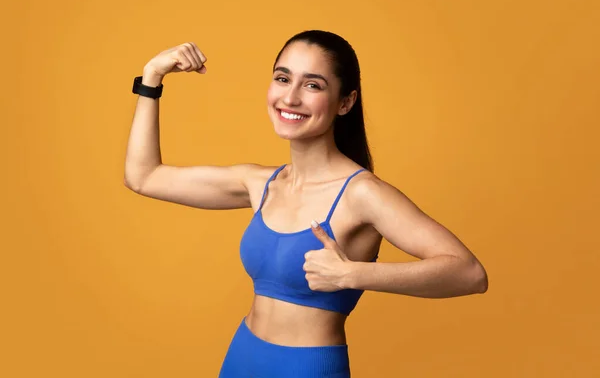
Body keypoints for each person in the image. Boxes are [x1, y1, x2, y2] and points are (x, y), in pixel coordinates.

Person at [124, 30, 488, 378]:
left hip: (307, 369)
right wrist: (152, 77)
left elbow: (468, 273)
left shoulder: (361, 194)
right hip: (241, 357)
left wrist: (353, 274)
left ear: (345, 102)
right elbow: (144, 177)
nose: (291, 97)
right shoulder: (260, 183)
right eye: (283, 79)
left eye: (313, 85)